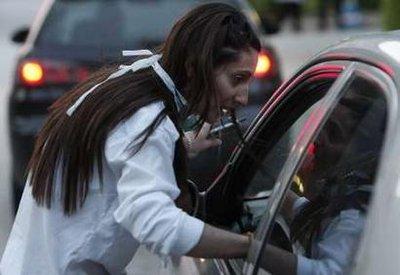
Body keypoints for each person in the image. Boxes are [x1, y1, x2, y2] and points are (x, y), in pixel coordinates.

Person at [0, 3, 261, 274]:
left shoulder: (130, 87)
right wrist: (255, 249)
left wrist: (178, 146)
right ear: (195, 68)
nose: (243, 97)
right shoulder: (146, 119)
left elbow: (109, 157)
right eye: (237, 79)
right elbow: (156, 223)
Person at [259, 89, 386, 274]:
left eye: (333, 133)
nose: (317, 139)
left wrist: (248, 248)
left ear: (363, 153)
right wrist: (282, 196)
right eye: (323, 127)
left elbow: (326, 271)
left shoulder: (356, 215)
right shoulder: (356, 196)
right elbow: (324, 225)